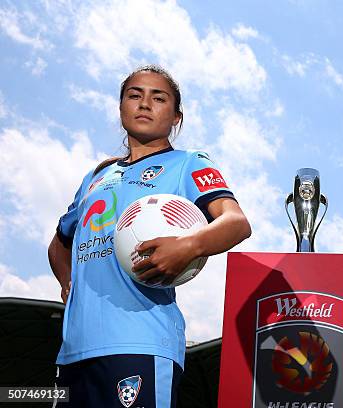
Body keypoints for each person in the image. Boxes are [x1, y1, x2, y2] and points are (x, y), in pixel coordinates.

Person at [47, 65, 251, 407]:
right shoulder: (95, 177)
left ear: (176, 117)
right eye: (134, 95)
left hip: (140, 344)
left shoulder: (189, 163)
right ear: (121, 107)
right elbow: (59, 243)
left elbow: (236, 222)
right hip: (73, 353)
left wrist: (189, 245)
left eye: (159, 98)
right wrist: (70, 284)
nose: (145, 104)